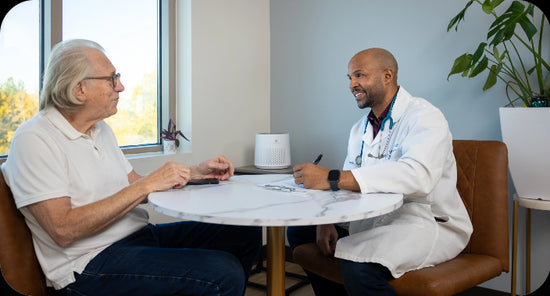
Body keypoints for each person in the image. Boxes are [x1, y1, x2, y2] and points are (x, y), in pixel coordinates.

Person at [1, 39, 261, 296]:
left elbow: (134, 183)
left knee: (243, 231)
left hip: (139, 237)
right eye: (111, 79)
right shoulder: (34, 139)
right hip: (88, 264)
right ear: (79, 89)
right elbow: (63, 230)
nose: (121, 87)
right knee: (221, 273)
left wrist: (194, 173)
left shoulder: (100, 129)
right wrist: (147, 184)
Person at [287, 48, 473, 296]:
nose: (352, 84)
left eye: (360, 75)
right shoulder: (359, 129)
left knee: (359, 266)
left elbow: (419, 177)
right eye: (350, 78)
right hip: (374, 218)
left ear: (388, 76)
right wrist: (327, 219)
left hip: (423, 221)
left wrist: (332, 176)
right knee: (300, 231)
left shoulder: (425, 117)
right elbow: (348, 186)